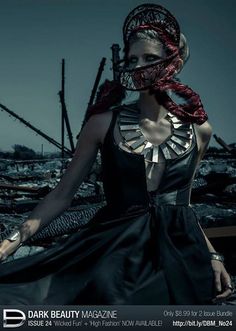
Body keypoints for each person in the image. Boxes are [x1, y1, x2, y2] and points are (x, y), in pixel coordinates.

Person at [0, 3, 234, 305]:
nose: (138, 66)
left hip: (181, 247)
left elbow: (183, 204)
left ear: (172, 63)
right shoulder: (101, 124)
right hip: (118, 242)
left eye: (150, 58)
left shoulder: (199, 130)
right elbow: (61, 195)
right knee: (89, 294)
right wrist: (10, 243)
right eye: (132, 59)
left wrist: (213, 255)